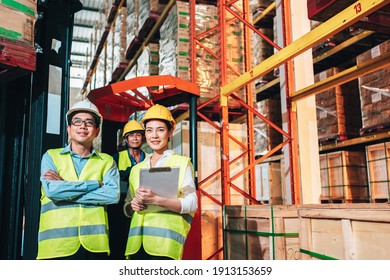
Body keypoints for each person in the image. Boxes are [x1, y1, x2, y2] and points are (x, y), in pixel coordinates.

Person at [37, 99, 120, 260]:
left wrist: (66, 189)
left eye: (89, 122)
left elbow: (112, 195)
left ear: (96, 131)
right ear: (69, 129)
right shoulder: (51, 156)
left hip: (95, 246)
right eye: (77, 122)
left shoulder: (107, 161)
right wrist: (94, 184)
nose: (83, 126)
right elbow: (52, 191)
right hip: (56, 246)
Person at [123, 104, 198, 260]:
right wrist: (132, 206)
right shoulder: (137, 169)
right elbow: (127, 207)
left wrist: (157, 200)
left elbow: (192, 204)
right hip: (136, 245)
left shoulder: (181, 163)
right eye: (149, 130)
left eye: (160, 130)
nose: (154, 136)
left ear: (170, 132)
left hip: (165, 246)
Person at [108, 120, 147, 259]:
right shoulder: (117, 158)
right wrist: (132, 171)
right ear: (126, 139)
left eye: (138, 135)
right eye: (131, 135)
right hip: (120, 206)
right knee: (120, 241)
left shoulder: (149, 158)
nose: (135, 138)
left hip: (143, 204)